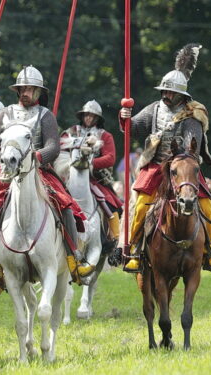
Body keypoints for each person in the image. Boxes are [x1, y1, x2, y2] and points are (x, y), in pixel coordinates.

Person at [118, 44, 211, 273]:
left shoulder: (192, 115)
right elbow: (135, 129)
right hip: (156, 167)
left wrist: (180, 161)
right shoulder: (154, 109)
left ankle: (210, 251)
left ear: (181, 94)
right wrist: (125, 118)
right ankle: (136, 249)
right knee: (139, 207)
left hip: (183, 169)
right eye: (164, 91)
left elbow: (191, 147)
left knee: (206, 205)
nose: (166, 95)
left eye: (171, 92)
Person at [0, 65, 86, 287]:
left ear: (38, 92)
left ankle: (74, 258)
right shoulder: (6, 113)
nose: (26, 92)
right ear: (17, 91)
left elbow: (53, 147)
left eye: (31, 89)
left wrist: (36, 156)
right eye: (23, 88)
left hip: (39, 171)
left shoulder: (45, 116)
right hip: (8, 173)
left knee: (65, 207)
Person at [61, 99, 122, 276]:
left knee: (112, 205)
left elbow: (110, 158)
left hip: (95, 179)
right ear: (82, 116)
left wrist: (91, 163)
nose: (89, 118)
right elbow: (59, 151)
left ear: (97, 118)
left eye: (92, 116)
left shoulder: (105, 136)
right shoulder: (71, 132)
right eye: (86, 115)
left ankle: (114, 242)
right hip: (70, 176)